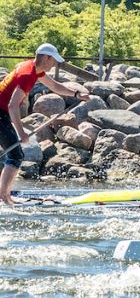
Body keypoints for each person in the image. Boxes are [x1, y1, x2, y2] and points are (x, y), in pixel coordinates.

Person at [0, 44, 90, 204]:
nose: (54, 64)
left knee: (14, 154)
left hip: (2, 113)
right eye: (53, 61)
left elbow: (55, 86)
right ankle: (4, 198)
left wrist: (77, 94)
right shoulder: (28, 74)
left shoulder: (32, 67)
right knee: (15, 155)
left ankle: (4, 195)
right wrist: (21, 132)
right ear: (46, 58)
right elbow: (12, 106)